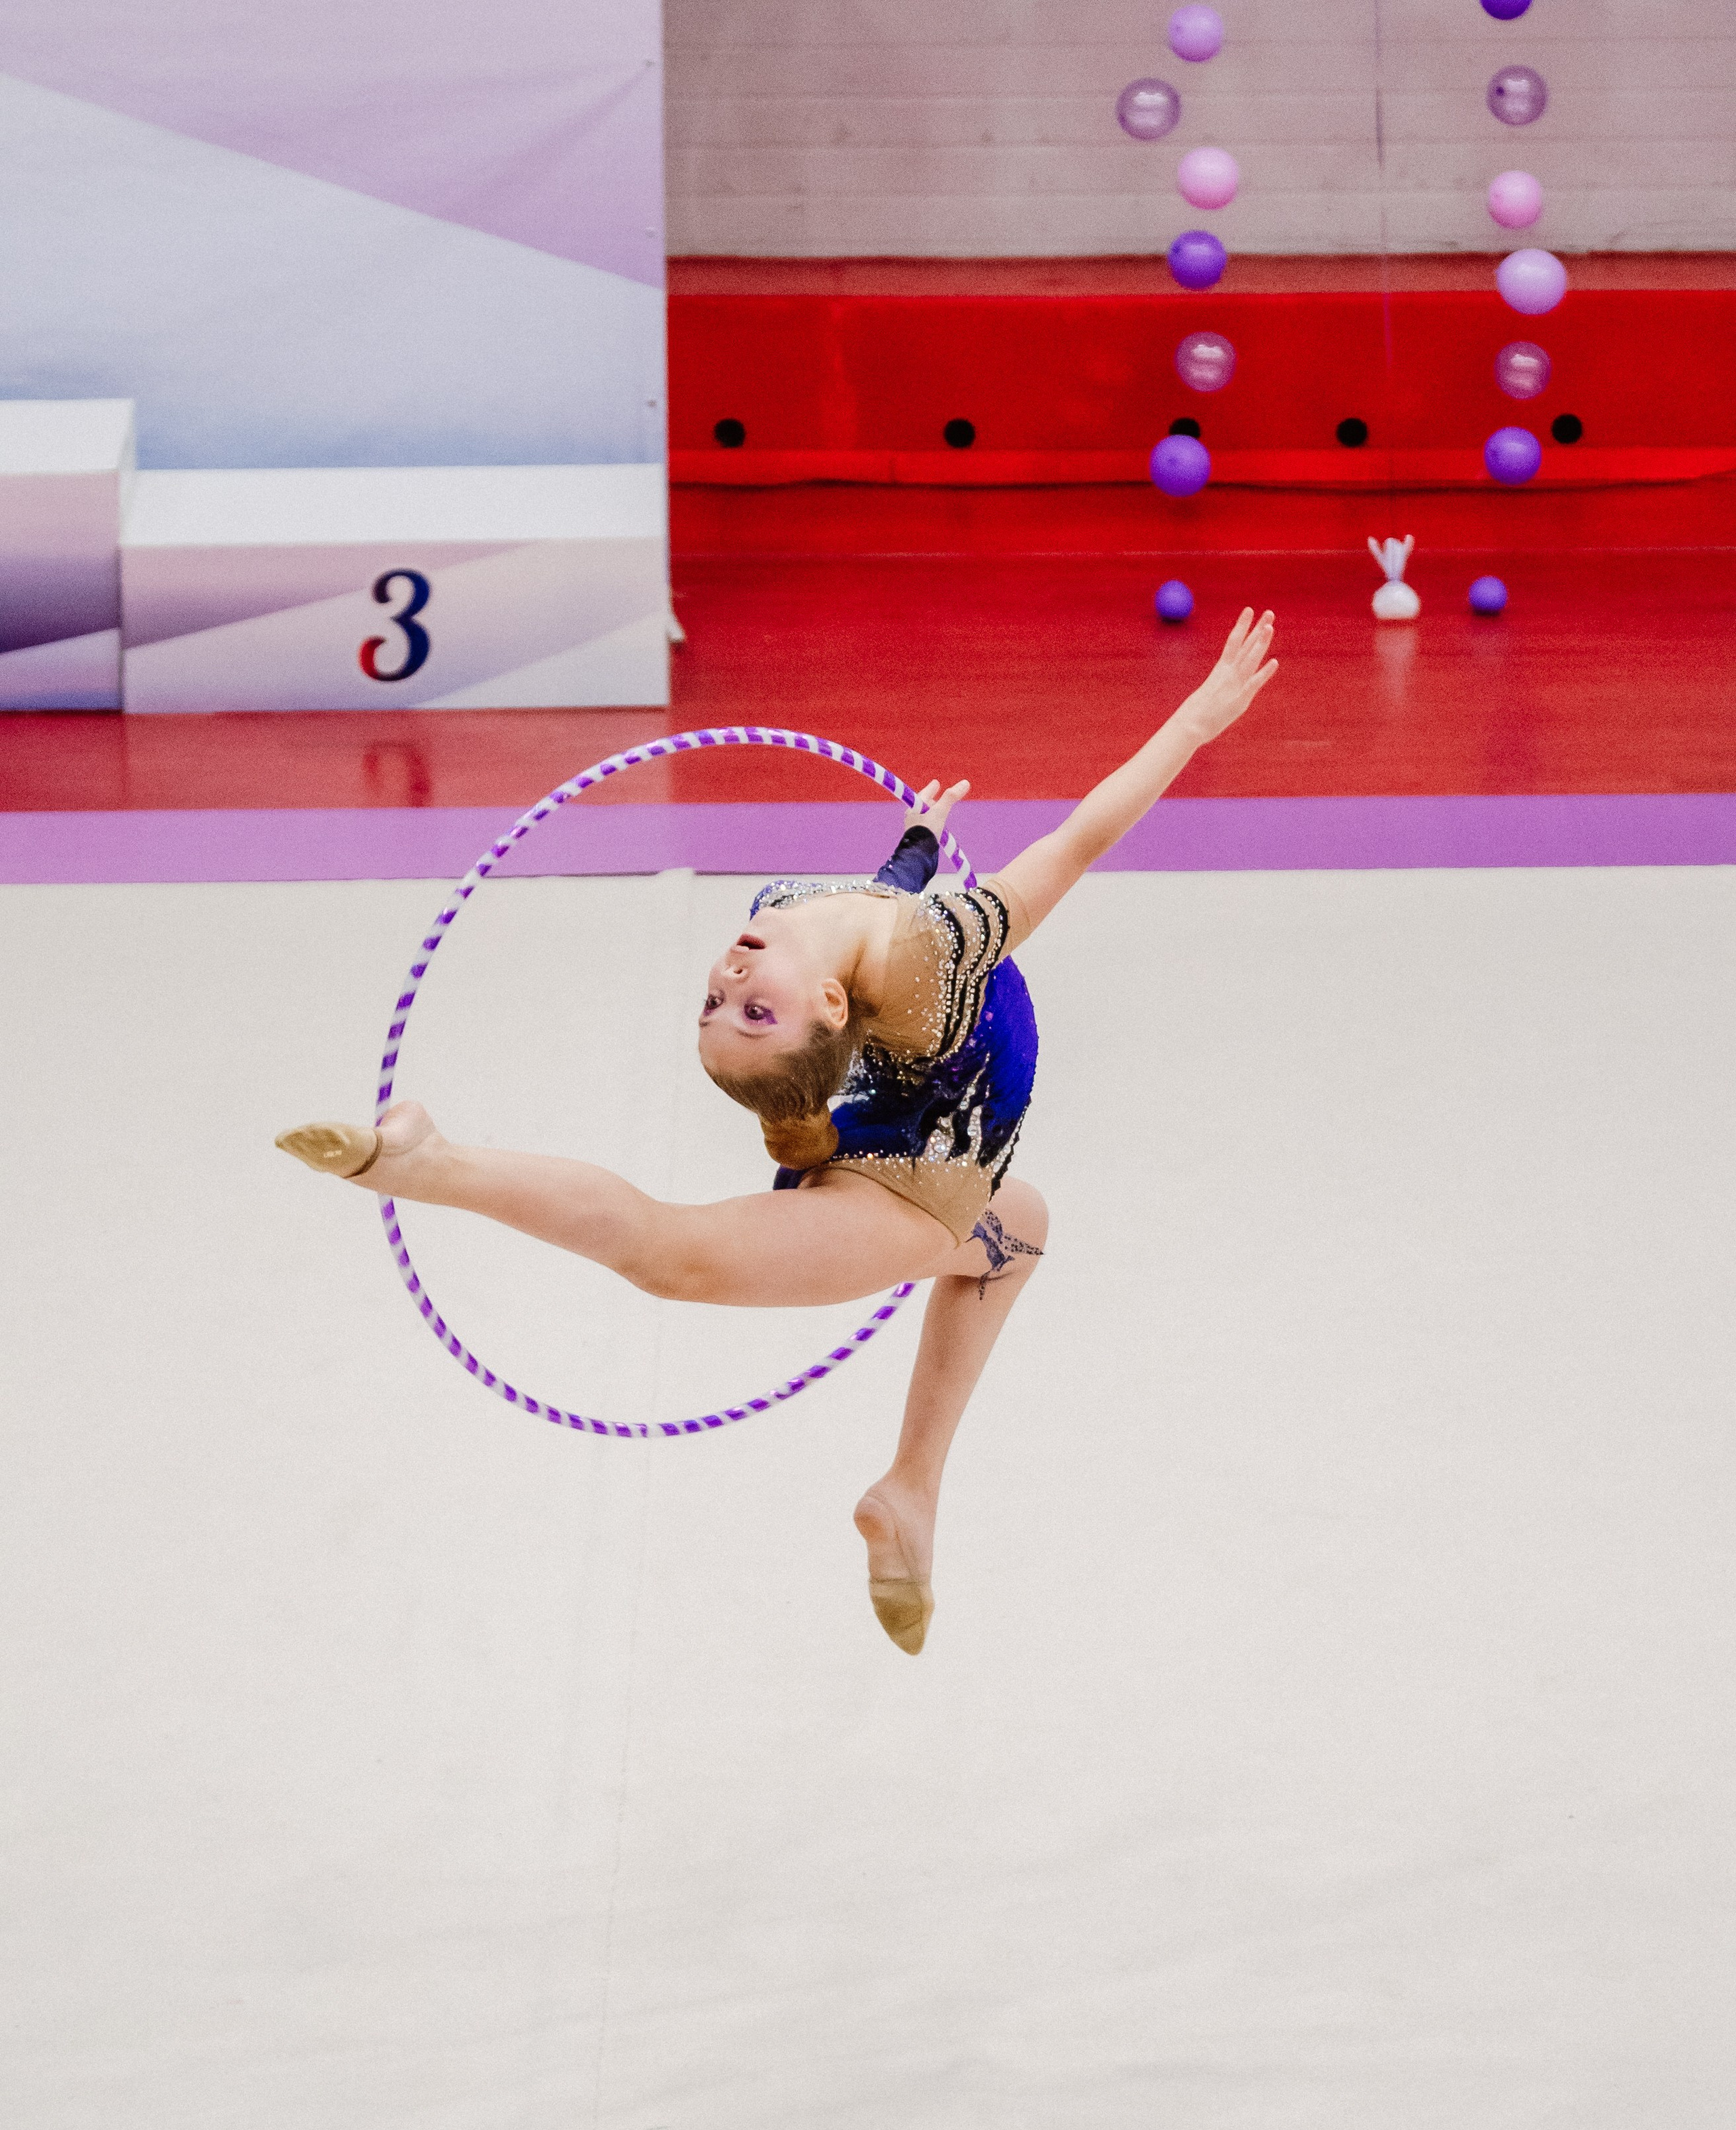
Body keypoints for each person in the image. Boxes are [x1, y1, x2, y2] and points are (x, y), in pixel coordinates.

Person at [278, 608, 1278, 1653]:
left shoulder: (862, 934)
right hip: (917, 1166)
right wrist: (936, 840)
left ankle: (911, 1490)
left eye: (727, 1006)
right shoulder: (874, 936)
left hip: (919, 1139)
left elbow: (972, 874)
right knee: (682, 1258)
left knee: (1016, 1237)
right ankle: (434, 1163)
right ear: (831, 1017)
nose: (730, 980)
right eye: (741, 1011)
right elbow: (973, 877)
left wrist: (937, 838)